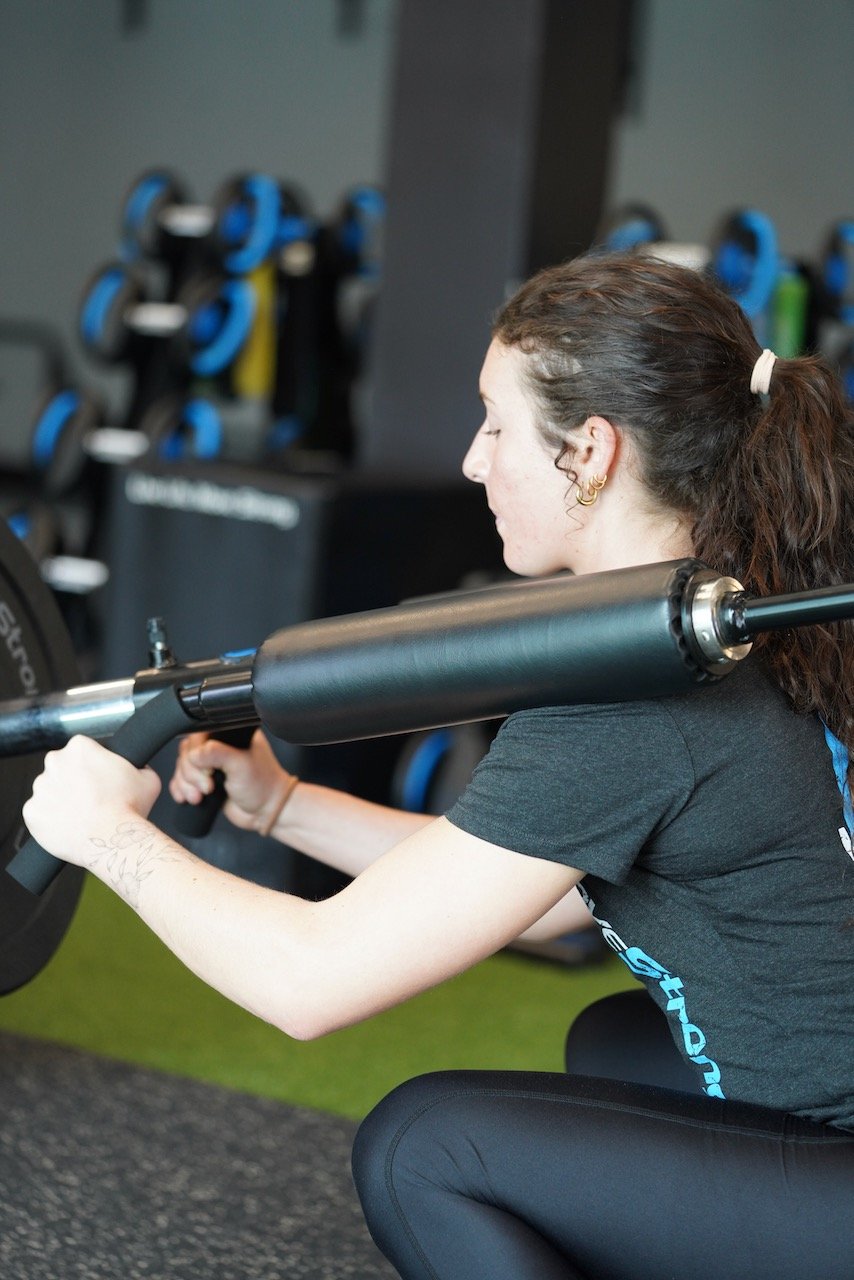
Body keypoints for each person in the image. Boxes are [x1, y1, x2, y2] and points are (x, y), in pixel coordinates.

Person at [23, 253, 854, 1279]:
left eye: (495, 424)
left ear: (588, 450)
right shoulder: (722, 610)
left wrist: (111, 837)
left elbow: (307, 979)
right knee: (612, 1043)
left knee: (424, 1148)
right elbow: (538, 890)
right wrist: (280, 803)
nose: (471, 459)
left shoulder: (635, 698)